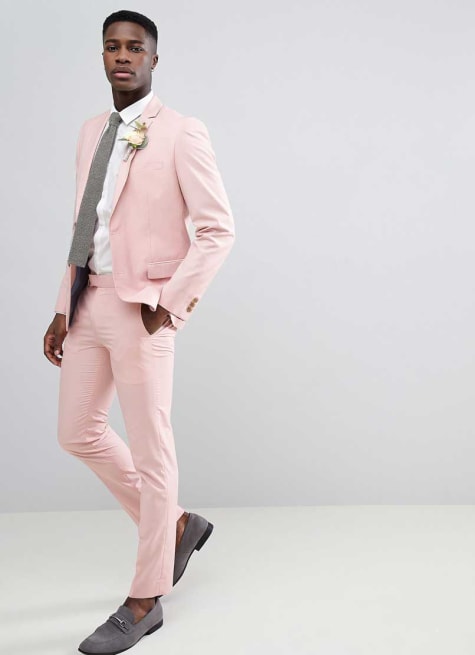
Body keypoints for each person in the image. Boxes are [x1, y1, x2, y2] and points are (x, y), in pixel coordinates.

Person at [43, 9, 235, 654]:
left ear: (154, 58)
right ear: (102, 57)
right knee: (77, 432)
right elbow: (84, 225)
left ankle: (146, 598)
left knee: (153, 452)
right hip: (88, 302)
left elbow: (217, 229)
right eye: (112, 46)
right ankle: (176, 525)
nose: (122, 56)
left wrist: (170, 305)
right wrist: (64, 305)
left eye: (135, 47)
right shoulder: (90, 131)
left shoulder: (181, 132)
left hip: (143, 309)